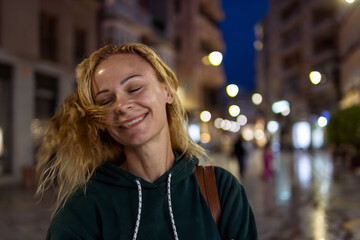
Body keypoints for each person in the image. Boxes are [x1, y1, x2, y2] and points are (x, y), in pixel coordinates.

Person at [36, 43, 258, 240]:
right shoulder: (82, 210)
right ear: (100, 120)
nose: (121, 106)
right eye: (105, 100)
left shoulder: (221, 190)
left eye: (134, 88)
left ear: (168, 91)